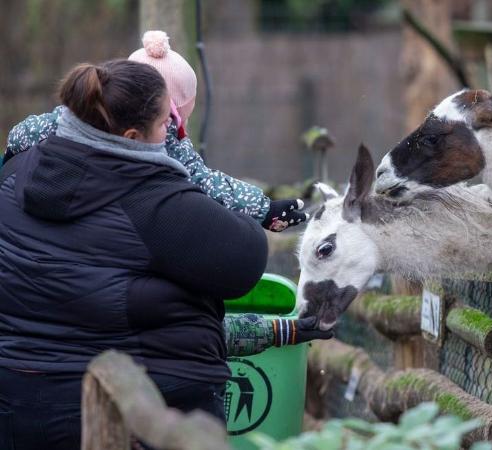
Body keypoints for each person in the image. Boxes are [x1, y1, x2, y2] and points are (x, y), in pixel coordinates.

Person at [0, 59, 326, 450]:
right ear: (134, 135)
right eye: (163, 129)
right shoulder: (152, 202)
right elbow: (246, 258)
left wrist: (276, 330)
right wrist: (203, 187)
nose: (171, 142)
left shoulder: (16, 172)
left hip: (17, 403)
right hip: (139, 410)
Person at [4, 30, 306, 232]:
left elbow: (23, 134)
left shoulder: (70, 118)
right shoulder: (163, 137)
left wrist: (11, 161)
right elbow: (206, 184)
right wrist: (264, 209)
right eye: (169, 119)